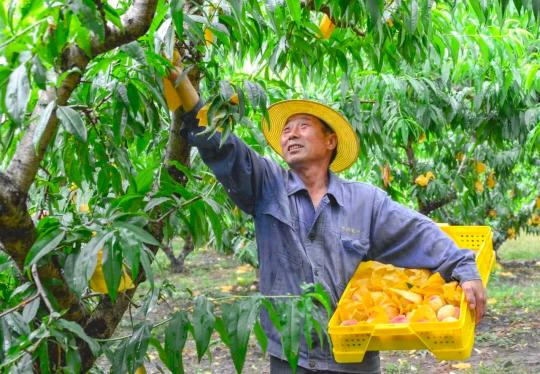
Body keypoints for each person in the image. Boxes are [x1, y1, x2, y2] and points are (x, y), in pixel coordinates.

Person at [167, 66, 487, 374]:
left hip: (352, 358)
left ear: (330, 141)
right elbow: (223, 148)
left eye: (302, 126)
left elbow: (417, 232)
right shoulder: (267, 186)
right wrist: (183, 85)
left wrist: (464, 267)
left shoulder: (365, 202)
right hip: (291, 358)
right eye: (286, 130)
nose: (290, 134)